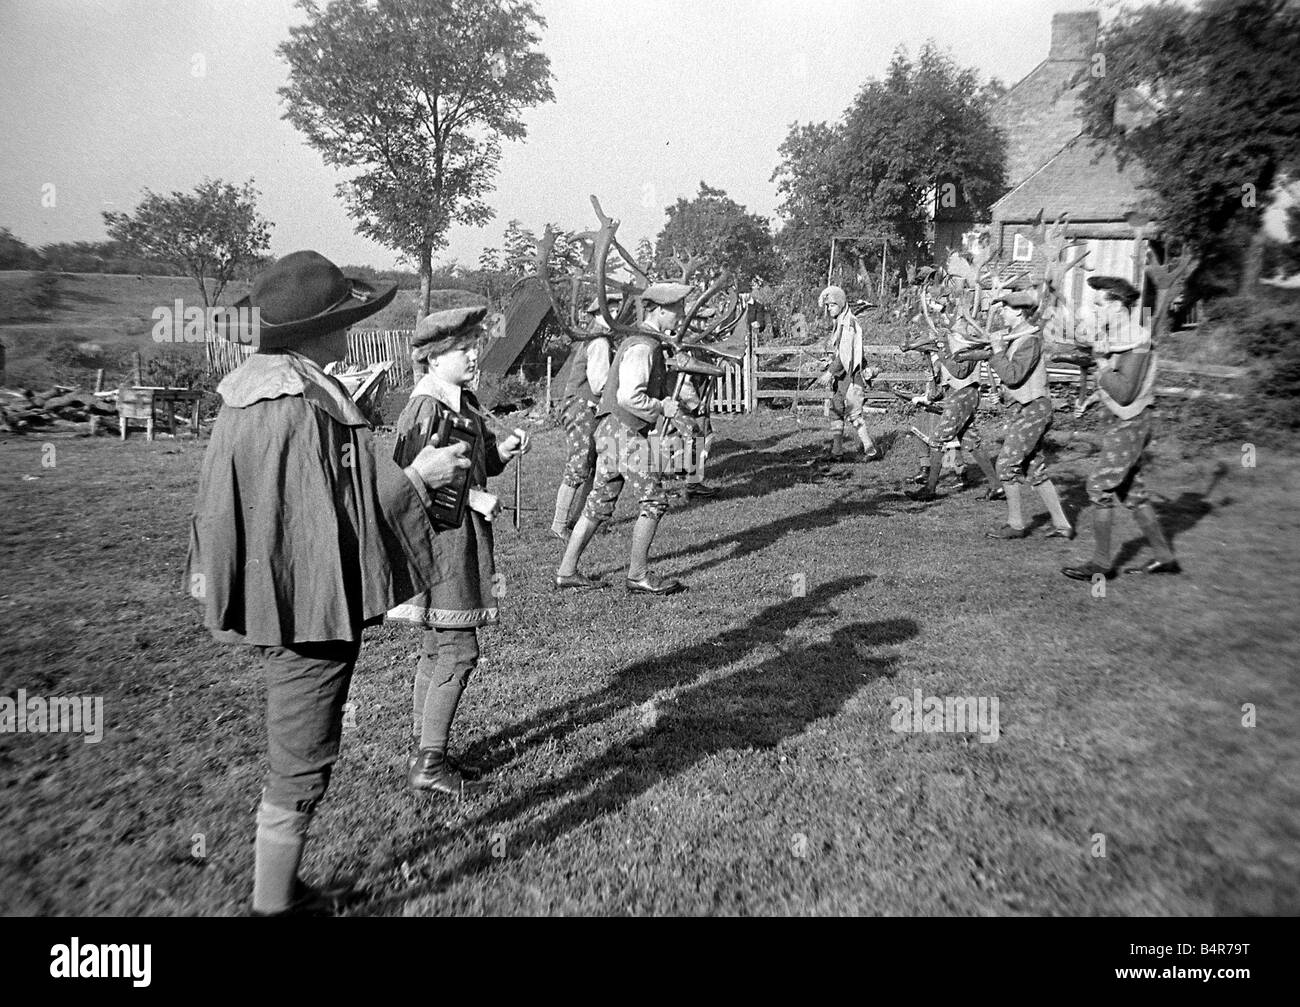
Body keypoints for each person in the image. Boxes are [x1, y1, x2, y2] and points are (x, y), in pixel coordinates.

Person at [186, 250, 470, 916]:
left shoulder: (256, 386)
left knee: (300, 742)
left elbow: (289, 501)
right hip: (307, 606)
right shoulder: (301, 403)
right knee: (301, 754)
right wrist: (418, 478)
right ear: (320, 330)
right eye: (344, 319)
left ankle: (281, 892)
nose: (349, 331)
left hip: (276, 591)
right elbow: (332, 521)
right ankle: (273, 904)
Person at [387, 305, 530, 794]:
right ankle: (430, 765)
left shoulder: (459, 403)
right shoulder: (426, 407)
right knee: (457, 649)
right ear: (432, 357)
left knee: (437, 645)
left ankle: (422, 749)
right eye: (463, 349)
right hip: (441, 544)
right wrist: (476, 498)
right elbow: (410, 480)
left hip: (457, 541)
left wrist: (500, 455)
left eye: (474, 346)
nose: (474, 355)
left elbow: (473, 462)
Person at [555, 282, 690, 595]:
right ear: (658, 310)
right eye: (676, 310)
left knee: (598, 503)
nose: (681, 316)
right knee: (654, 501)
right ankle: (638, 575)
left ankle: (566, 571)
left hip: (610, 431)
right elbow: (630, 396)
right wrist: (661, 406)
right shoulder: (644, 346)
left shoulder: (638, 340)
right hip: (625, 433)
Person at [1063, 276, 1180, 580]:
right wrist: (1092, 395)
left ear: (1118, 306)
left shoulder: (1136, 339)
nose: (1095, 309)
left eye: (1099, 304)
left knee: (1099, 486)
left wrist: (1100, 362)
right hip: (1120, 421)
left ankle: (1102, 565)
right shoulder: (1116, 334)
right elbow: (1112, 378)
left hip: (1131, 423)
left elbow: (1126, 391)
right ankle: (1165, 558)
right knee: (1133, 493)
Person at [984, 289, 1074, 540]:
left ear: (1017, 311)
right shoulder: (1018, 338)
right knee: (1034, 468)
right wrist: (1002, 395)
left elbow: (1013, 374)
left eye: (1004, 308)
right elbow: (1015, 382)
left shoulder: (1030, 340)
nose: (1002, 312)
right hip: (1027, 407)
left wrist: (997, 353)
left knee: (1005, 463)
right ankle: (1062, 524)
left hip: (1034, 409)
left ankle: (1015, 524)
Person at [905, 320, 1002, 501]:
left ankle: (930, 489)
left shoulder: (968, 350)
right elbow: (942, 386)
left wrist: (941, 354)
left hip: (963, 396)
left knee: (936, 440)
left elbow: (959, 372)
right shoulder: (957, 348)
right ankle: (997, 486)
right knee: (971, 442)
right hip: (961, 396)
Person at [550, 295, 616, 539]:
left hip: (588, 408)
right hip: (582, 407)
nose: (617, 314)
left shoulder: (598, 338)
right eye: (613, 309)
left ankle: (580, 520)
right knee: (579, 466)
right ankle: (559, 524)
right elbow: (599, 384)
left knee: (593, 466)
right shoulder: (598, 341)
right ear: (600, 313)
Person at [815, 285, 880, 462]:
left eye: (832, 305)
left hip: (851, 378)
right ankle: (837, 452)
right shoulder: (840, 323)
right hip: (841, 380)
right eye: (828, 306)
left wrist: (830, 372)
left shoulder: (849, 323)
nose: (829, 309)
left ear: (841, 304)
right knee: (836, 412)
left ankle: (870, 449)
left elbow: (846, 354)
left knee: (854, 415)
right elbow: (841, 353)